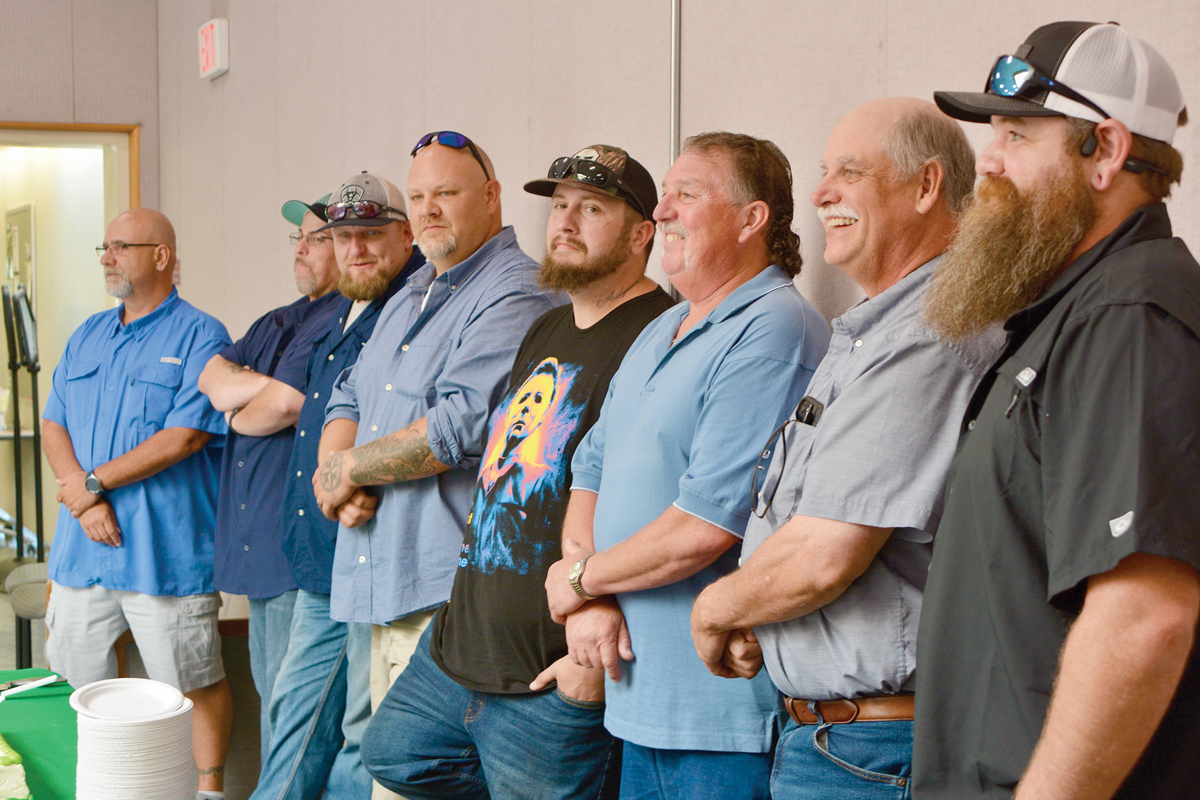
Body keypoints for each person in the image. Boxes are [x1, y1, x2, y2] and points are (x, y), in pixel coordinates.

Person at [914, 21, 1200, 800]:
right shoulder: (1073, 313)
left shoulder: (1130, 318)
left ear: (1104, 151)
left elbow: (1145, 618)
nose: (989, 162)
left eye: (1015, 133)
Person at [688, 99, 1002, 799]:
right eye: (825, 171)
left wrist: (718, 608)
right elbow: (800, 518)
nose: (822, 192)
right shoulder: (870, 331)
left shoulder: (931, 335)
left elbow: (825, 554)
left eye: (850, 172)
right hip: (837, 740)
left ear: (925, 188)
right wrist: (757, 613)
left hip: (873, 750)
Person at [361, 144, 674, 799]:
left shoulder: (662, 333)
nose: (565, 221)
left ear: (643, 233)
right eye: (560, 205)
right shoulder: (547, 326)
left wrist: (585, 666)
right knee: (394, 754)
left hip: (549, 671)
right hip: (459, 648)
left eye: (592, 208)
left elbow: (662, 504)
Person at [543, 132, 830, 800]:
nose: (663, 211)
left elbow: (708, 523)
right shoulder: (659, 328)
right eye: (664, 194)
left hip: (721, 719)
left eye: (686, 194)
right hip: (638, 703)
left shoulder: (775, 326)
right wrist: (591, 595)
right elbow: (590, 468)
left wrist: (582, 577)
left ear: (751, 217)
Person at [312, 133, 562, 794]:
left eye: (445, 194)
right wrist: (332, 470)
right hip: (384, 582)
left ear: (491, 196)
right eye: (418, 197)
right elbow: (348, 392)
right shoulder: (412, 291)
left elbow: (456, 429)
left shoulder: (516, 293)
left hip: (445, 598)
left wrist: (351, 471)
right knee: (380, 772)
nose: (428, 210)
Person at [42, 207, 234, 800]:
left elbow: (185, 436)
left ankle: (207, 790)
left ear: (162, 256)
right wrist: (84, 497)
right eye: (104, 247)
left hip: (165, 554)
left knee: (190, 682)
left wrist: (94, 483)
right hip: (82, 554)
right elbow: (55, 425)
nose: (107, 257)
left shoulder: (204, 335)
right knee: (75, 687)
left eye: (121, 246)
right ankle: (93, 786)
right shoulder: (87, 334)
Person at [243, 178, 425, 800]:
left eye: (371, 235)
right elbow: (339, 407)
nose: (357, 249)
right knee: (295, 719)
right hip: (322, 549)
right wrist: (336, 476)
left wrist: (352, 478)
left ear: (406, 235)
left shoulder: (416, 303)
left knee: (355, 739)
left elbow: (412, 424)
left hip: (374, 548)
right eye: (341, 237)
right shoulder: (341, 308)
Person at [196, 194, 340, 761]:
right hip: (256, 554)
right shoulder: (280, 318)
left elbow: (280, 410)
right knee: (272, 696)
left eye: (316, 238)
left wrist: (256, 398)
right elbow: (212, 376)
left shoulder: (339, 320)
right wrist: (262, 392)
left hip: (292, 555)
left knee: (292, 716)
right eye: (297, 238)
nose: (301, 249)